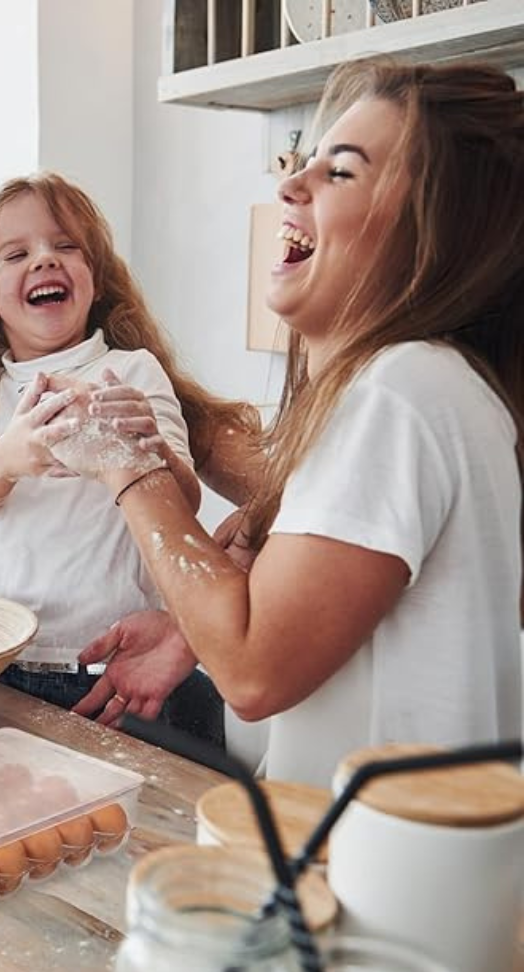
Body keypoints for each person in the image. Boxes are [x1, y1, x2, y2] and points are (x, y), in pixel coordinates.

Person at [69, 58, 524, 785]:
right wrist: (196, 625)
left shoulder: (402, 391)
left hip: (380, 880)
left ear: (436, 231)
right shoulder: (430, 389)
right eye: (302, 163)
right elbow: (303, 613)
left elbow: (254, 667)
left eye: (338, 173)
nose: (289, 185)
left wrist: (130, 464)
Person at [0, 172, 259, 749]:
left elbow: (183, 501)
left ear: (96, 281)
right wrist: (5, 460)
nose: (45, 261)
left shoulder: (134, 371)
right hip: (6, 660)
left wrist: (150, 452)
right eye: (18, 253)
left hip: (121, 657)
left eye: (66, 247)